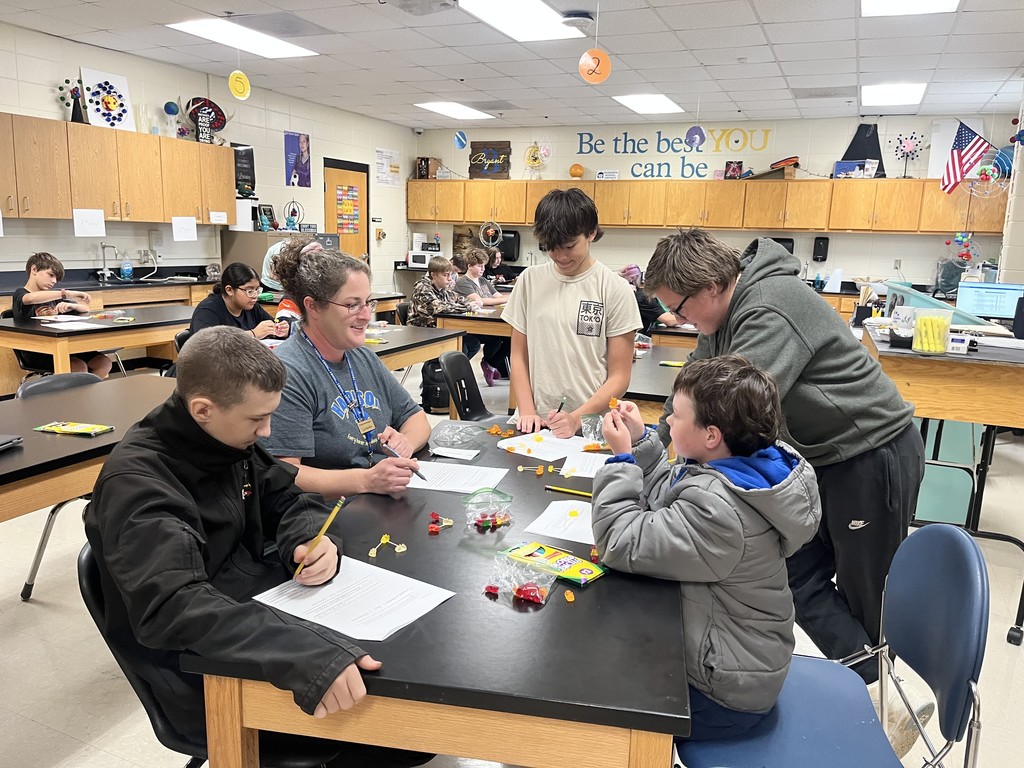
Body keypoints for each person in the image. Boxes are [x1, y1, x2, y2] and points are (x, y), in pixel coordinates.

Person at [83, 327, 431, 767]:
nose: (267, 432)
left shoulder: (227, 440)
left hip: (255, 614)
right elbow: (173, 607)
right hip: (199, 668)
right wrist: (301, 653)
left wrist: (307, 539)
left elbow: (289, 495)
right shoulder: (139, 485)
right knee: (401, 731)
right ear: (203, 409)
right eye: (256, 421)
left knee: (404, 703)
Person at [642, 229, 928, 744]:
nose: (679, 320)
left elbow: (726, 413)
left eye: (680, 309)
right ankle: (868, 681)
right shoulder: (723, 311)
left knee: (867, 593)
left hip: (870, 452)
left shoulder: (770, 307)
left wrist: (663, 473)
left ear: (708, 286)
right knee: (796, 574)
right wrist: (652, 442)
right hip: (825, 456)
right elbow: (695, 382)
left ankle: (891, 708)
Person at [592, 355, 821, 742]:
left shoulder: (721, 511)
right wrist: (643, 443)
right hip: (740, 662)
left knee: (597, 702)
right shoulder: (736, 468)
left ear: (711, 435)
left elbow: (619, 540)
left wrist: (620, 460)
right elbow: (672, 500)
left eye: (676, 416)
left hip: (725, 694)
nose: (666, 421)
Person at [262, 246, 429, 499]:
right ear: (313, 307)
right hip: (325, 514)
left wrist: (404, 442)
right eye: (352, 305)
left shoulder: (361, 357)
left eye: (368, 303)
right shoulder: (289, 372)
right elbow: (285, 473)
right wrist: (367, 480)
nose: (366, 315)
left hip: (374, 498)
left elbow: (415, 417)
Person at [502, 188, 641, 437]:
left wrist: (576, 419)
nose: (561, 256)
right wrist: (526, 410)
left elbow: (619, 376)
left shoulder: (614, 288)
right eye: (551, 248)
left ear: (591, 233)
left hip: (590, 425)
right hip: (533, 422)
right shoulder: (529, 280)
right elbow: (518, 355)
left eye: (569, 246)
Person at [11, 251, 112, 377]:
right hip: (38, 350)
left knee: (104, 363)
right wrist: (66, 293)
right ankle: (73, 395)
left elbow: (85, 308)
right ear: (34, 269)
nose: (54, 281)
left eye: (56, 279)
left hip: (62, 345)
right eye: (51, 275)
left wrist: (73, 305)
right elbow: (30, 298)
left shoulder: (53, 297)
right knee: (78, 367)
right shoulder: (20, 293)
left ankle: (86, 394)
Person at [189, 262, 289, 341]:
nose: (255, 296)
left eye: (257, 290)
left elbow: (273, 324)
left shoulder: (252, 307)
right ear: (229, 290)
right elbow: (208, 343)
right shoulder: (208, 310)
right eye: (249, 291)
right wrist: (253, 334)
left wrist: (280, 330)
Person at [408, 256, 482, 361]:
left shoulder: (442, 288)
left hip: (439, 328)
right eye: (445, 275)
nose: (450, 279)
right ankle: (441, 371)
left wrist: (472, 303)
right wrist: (467, 307)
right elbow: (439, 307)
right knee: (461, 348)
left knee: (474, 344)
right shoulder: (422, 288)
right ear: (433, 275)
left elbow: (457, 298)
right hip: (421, 331)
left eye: (450, 275)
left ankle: (448, 371)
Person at [454, 247, 510, 385]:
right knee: (496, 338)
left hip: (489, 320)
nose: (482, 269)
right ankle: (489, 364)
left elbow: (497, 295)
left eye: (483, 266)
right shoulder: (463, 283)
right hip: (472, 326)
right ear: (469, 266)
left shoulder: (483, 281)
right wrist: (506, 299)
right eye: (479, 266)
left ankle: (490, 364)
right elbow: (481, 300)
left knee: (509, 338)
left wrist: (507, 297)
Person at [618, 263, 680, 335]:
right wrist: (688, 317)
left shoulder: (622, 295)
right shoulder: (644, 297)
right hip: (635, 339)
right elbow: (669, 321)